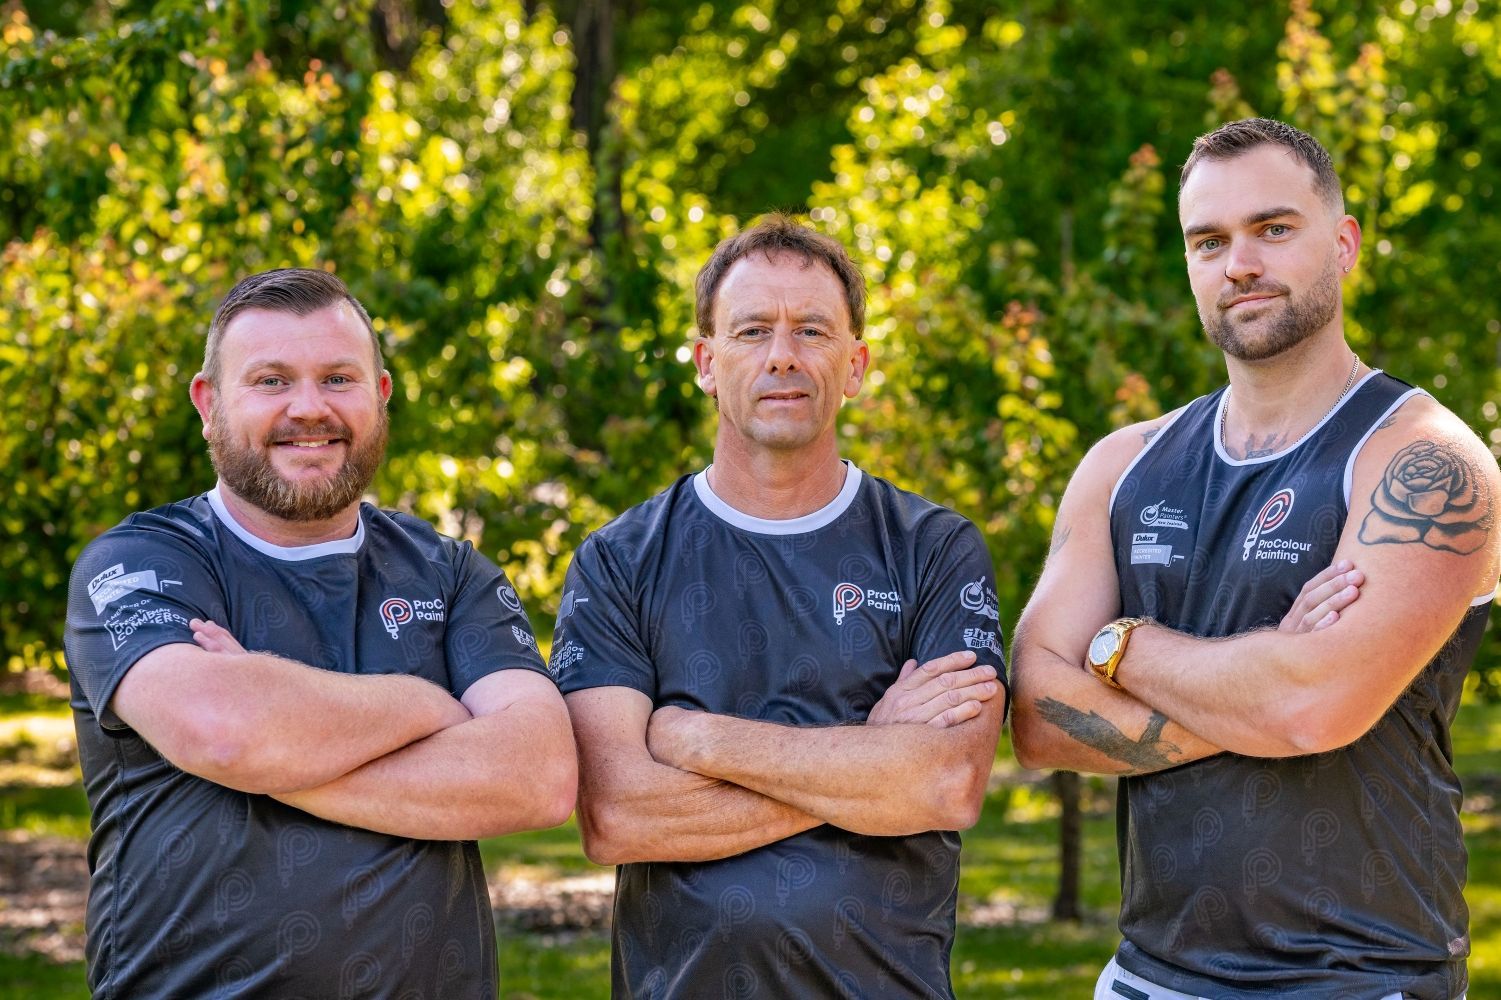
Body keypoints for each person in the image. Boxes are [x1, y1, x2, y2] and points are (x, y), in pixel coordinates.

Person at [1011, 117, 1499, 1000]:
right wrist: (1268, 681)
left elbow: (1310, 707)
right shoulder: (1122, 466)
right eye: (1209, 240)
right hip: (1147, 976)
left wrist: (1119, 648)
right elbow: (1038, 717)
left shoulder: (1425, 462)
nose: (1239, 263)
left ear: (1342, 243)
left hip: (1360, 976)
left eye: (1273, 229)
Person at [63, 268, 577, 998]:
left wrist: (274, 744)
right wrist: (428, 706)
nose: (309, 408)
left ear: (381, 396)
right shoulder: (141, 563)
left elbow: (541, 779)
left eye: (338, 379)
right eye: (271, 381)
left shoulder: (450, 574)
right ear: (208, 405)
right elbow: (223, 734)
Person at [550, 214, 1008, 997]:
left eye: (812, 331)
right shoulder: (619, 560)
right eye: (752, 330)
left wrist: (691, 737)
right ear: (705, 361)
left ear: (856, 364)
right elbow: (618, 815)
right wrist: (871, 753)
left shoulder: (932, 548)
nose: (782, 356)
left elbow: (944, 785)